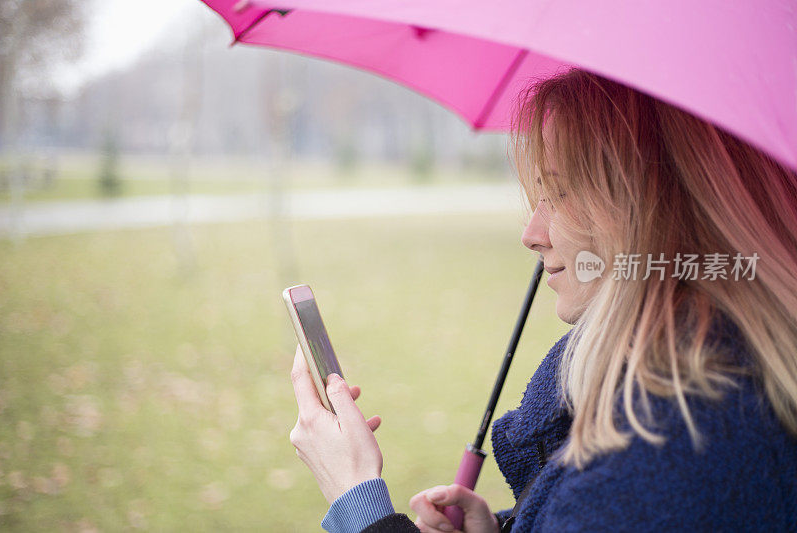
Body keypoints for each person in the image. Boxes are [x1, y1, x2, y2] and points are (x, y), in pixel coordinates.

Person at [288, 68, 797, 532]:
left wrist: (356, 497)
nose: (532, 233)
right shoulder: (696, 387)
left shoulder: (675, 445)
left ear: (653, 208)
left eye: (559, 193)